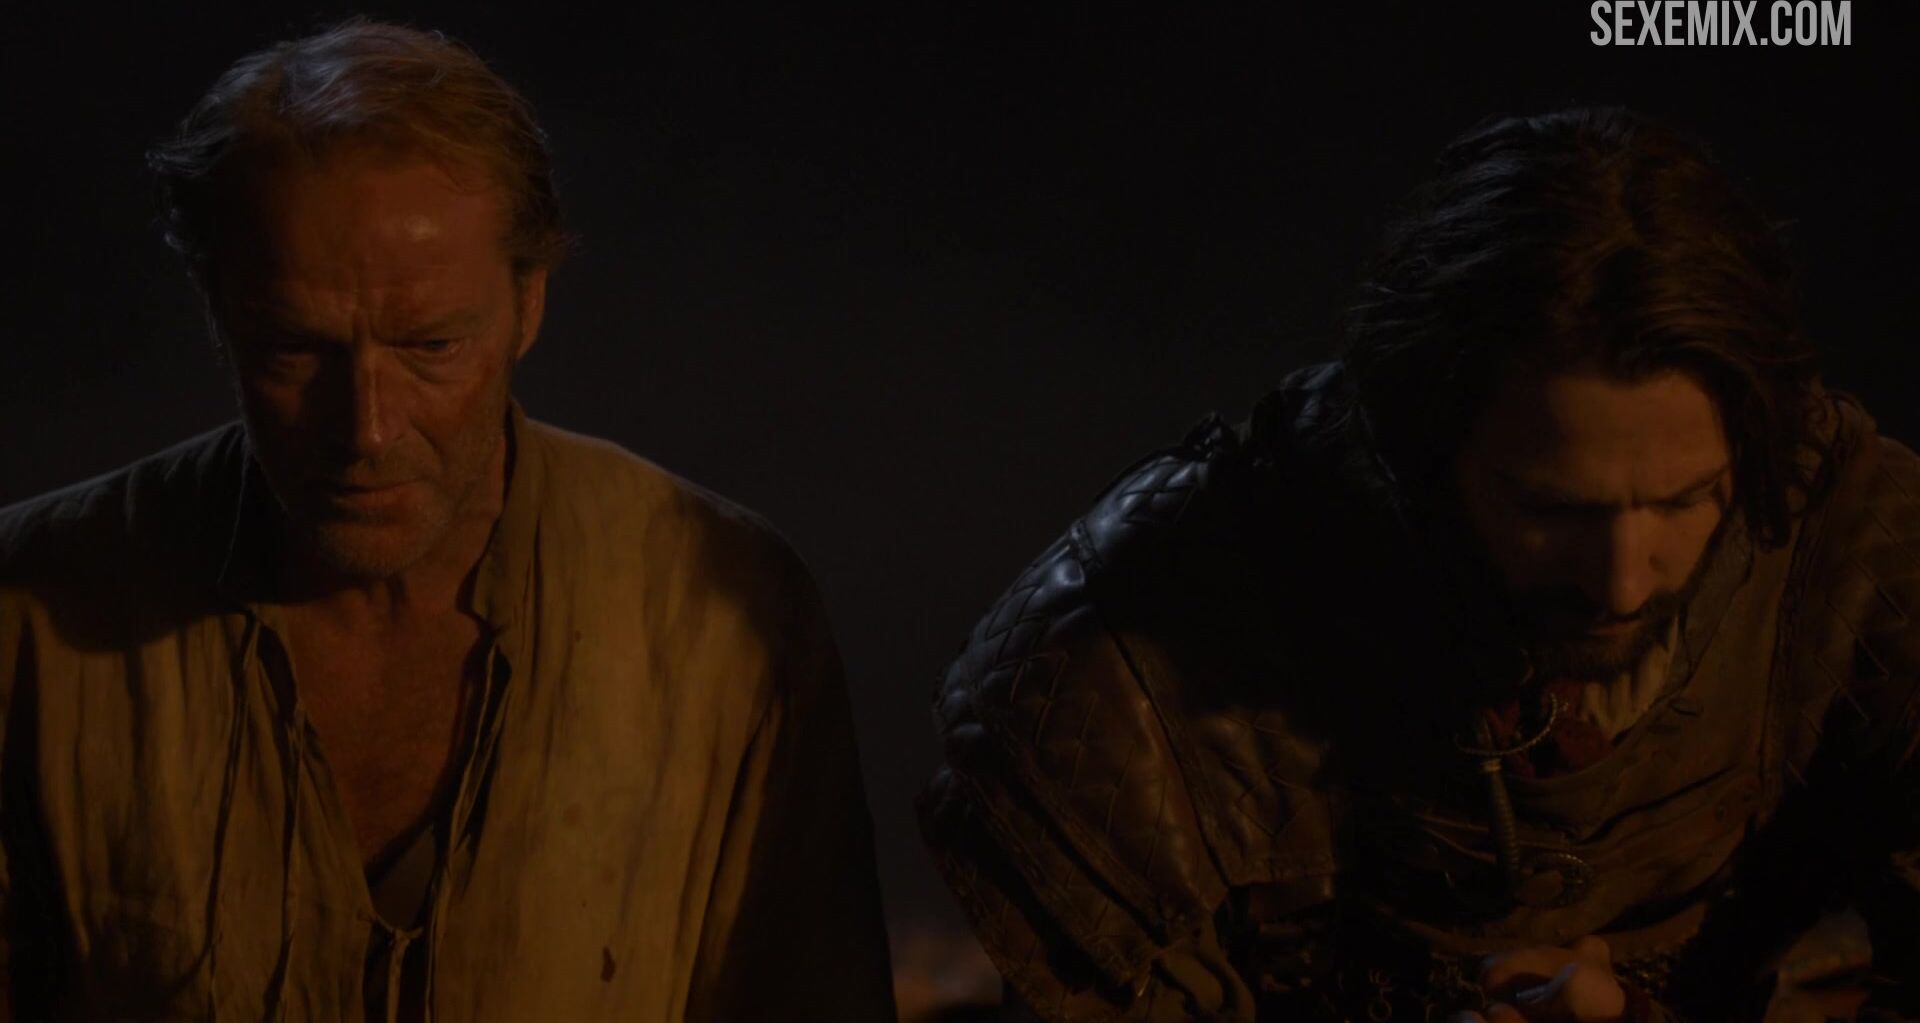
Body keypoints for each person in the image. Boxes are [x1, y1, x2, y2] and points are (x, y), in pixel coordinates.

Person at [920, 107, 1919, 1021]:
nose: (1621, 581)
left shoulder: (1853, 551)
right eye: (1549, 508)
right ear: (1425, 452)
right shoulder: (1133, 653)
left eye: (1684, 500)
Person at [0, 19, 894, 1021]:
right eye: (295, 350)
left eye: (430, 346)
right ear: (219, 312)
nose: (368, 430)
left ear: (528, 304)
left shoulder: (726, 618)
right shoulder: (29, 618)